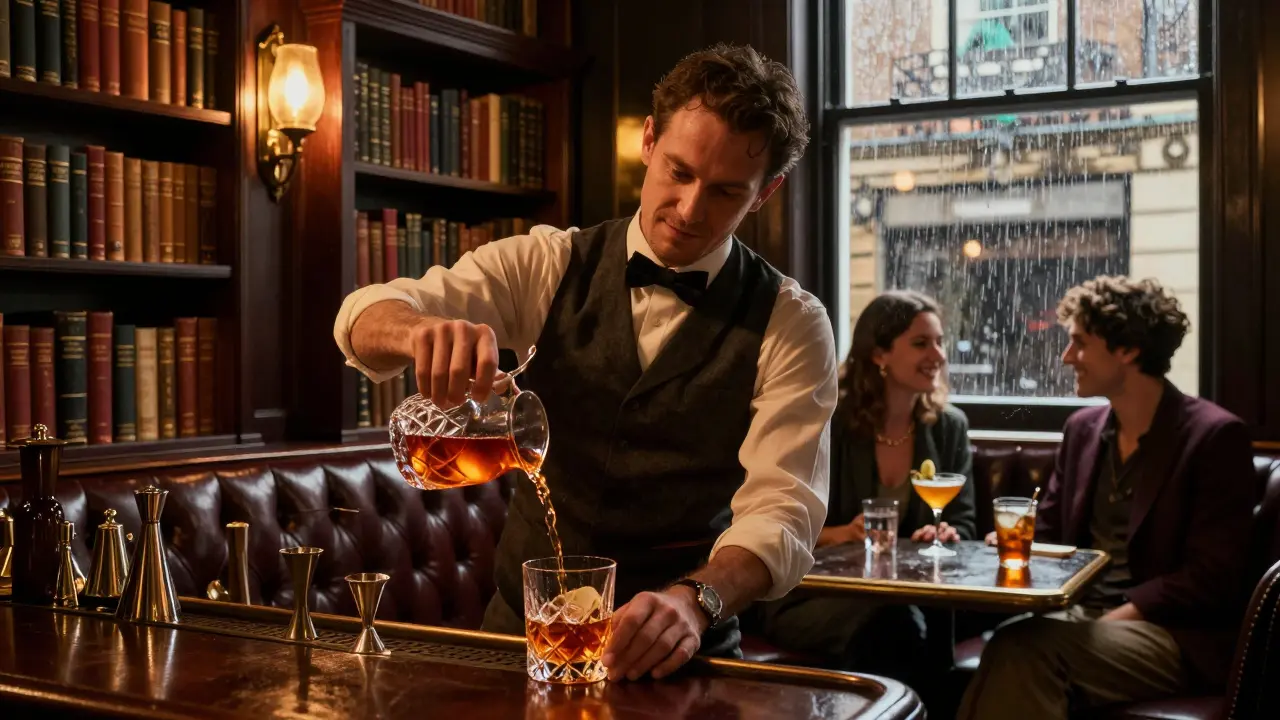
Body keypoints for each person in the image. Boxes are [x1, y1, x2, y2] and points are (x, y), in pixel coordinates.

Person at [332, 43, 839, 683]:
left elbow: (784, 511)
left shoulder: (791, 322)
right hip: (519, 644)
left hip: (682, 656)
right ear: (649, 141)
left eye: (724, 192)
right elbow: (363, 314)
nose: (689, 210)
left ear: (766, 193)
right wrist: (418, 331)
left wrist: (696, 600)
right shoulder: (546, 264)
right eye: (679, 172)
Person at [960, 276, 1259, 720]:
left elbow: (1212, 576)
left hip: (1169, 633)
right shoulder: (1083, 430)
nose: (1066, 358)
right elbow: (1050, 534)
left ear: (1128, 349)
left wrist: (1111, 620)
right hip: (1082, 615)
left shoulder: (1214, 437)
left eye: (1080, 343)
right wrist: (1002, 549)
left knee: (1025, 649)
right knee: (1009, 641)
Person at [747, 290, 975, 678]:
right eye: (921, 343)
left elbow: (966, 524)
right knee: (895, 625)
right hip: (818, 596)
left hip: (909, 596)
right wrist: (840, 534)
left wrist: (943, 531)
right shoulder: (828, 423)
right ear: (878, 354)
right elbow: (773, 522)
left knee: (917, 622)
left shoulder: (949, 427)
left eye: (940, 342)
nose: (938, 355)